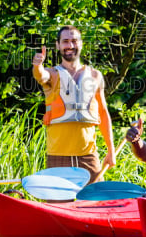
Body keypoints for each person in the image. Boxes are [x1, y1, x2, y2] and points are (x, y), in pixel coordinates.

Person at [32, 25, 115, 183]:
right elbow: (40, 76)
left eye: (74, 41)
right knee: (58, 207)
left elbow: (104, 113)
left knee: (94, 205)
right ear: (58, 45)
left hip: (89, 158)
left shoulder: (95, 75)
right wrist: (38, 66)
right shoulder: (52, 74)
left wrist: (111, 150)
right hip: (58, 158)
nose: (70, 46)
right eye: (65, 41)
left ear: (81, 43)